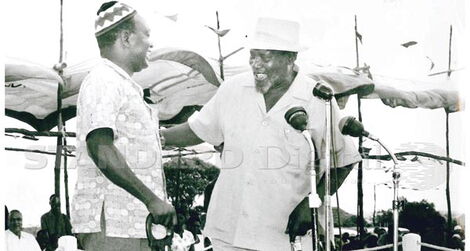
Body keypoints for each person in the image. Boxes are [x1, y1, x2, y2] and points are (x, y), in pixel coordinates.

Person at [162, 17, 361, 250]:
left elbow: (345, 159)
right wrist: (155, 137)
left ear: (290, 58)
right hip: (229, 231)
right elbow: (198, 129)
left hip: (284, 236)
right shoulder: (233, 88)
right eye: (252, 55)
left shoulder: (317, 98)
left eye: (265, 57)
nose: (256, 64)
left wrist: (311, 204)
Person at [70, 1, 176, 250]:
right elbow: (100, 147)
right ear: (126, 38)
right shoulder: (104, 79)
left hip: (131, 224)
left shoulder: (121, 84)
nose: (151, 43)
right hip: (113, 225)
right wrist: (152, 200)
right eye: (147, 34)